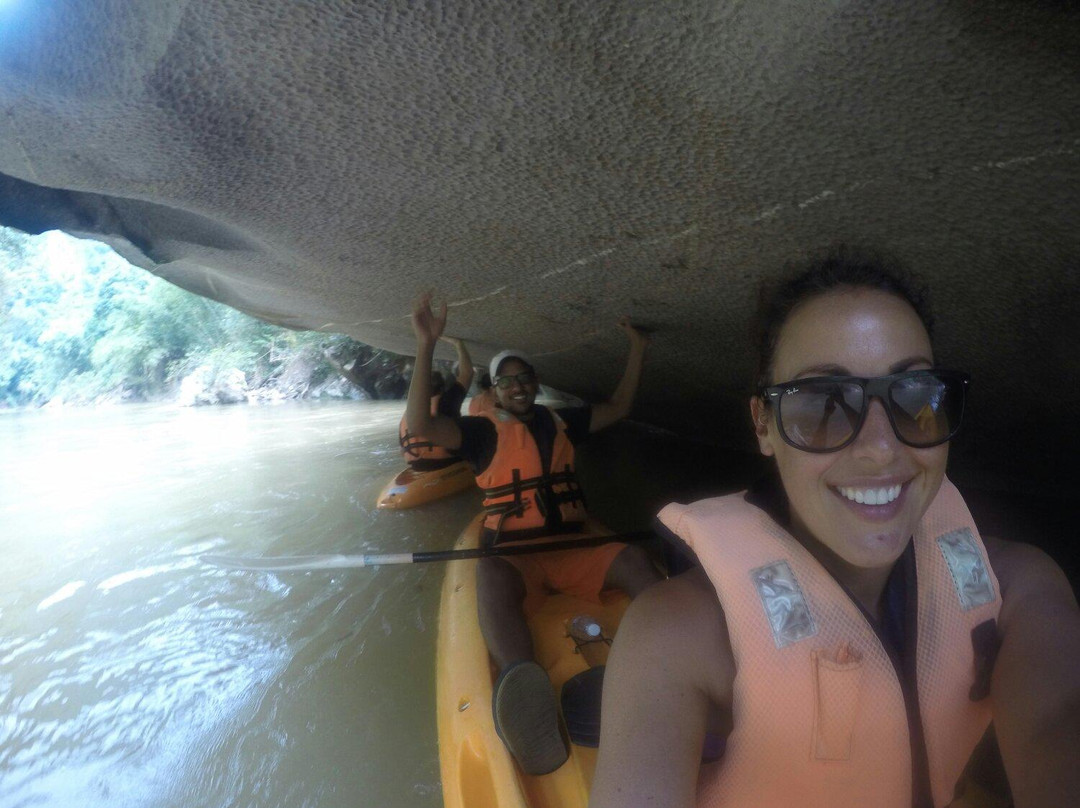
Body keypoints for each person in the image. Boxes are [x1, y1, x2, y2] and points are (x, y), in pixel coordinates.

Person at [591, 250, 1080, 808]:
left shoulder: (1017, 586)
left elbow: (1058, 720)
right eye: (822, 404)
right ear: (763, 426)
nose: (879, 449)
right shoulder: (679, 634)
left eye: (915, 395)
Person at [407, 292, 664, 775]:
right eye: (508, 382)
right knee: (491, 574)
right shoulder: (480, 433)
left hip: (571, 547)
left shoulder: (562, 421)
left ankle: (668, 653)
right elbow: (420, 425)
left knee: (633, 560)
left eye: (525, 379)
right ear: (496, 391)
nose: (519, 387)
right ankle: (523, 686)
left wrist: (638, 349)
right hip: (516, 555)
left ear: (536, 384)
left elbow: (621, 405)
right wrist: (426, 345)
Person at [399, 336, 473, 471]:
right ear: (443, 388)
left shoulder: (409, 413)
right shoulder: (447, 401)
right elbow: (467, 373)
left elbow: (401, 450)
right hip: (448, 463)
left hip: (415, 467)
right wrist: (458, 345)